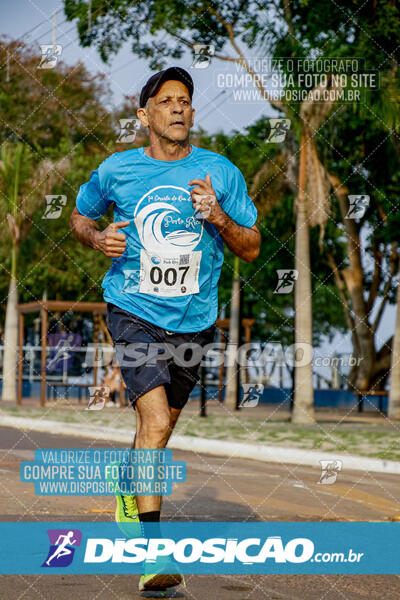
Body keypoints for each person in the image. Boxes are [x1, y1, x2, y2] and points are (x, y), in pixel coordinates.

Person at [70, 66, 260, 592]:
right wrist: (96, 238)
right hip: (133, 312)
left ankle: (126, 488)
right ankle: (152, 557)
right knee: (152, 423)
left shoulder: (218, 172)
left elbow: (252, 245)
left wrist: (219, 218)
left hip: (194, 323)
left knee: (160, 428)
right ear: (145, 114)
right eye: (167, 100)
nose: (179, 108)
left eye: (186, 101)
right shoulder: (117, 170)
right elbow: (80, 217)